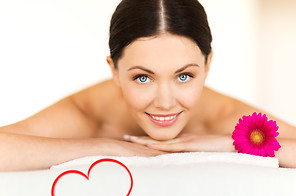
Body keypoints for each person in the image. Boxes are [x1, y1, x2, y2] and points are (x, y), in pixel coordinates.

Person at [0, 0, 296, 171]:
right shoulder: (89, 112)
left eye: (184, 76)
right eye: (143, 77)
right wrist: (108, 148)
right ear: (114, 70)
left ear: (207, 66)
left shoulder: (223, 118)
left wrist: (229, 145)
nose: (165, 102)